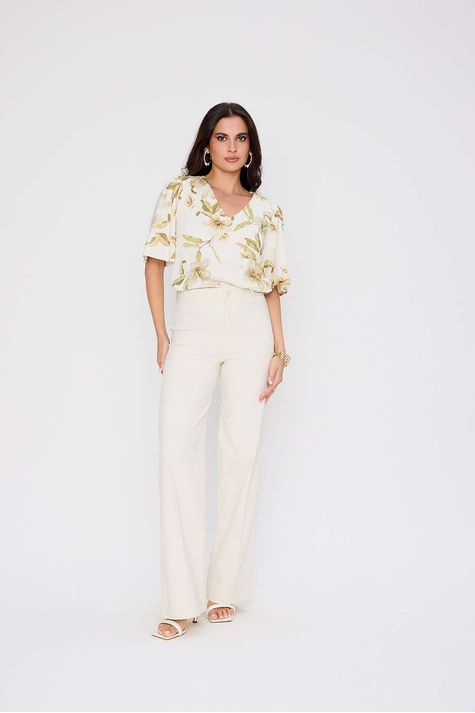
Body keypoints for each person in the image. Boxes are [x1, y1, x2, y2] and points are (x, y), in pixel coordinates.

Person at [143, 102, 291, 640]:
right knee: (175, 452)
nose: (232, 147)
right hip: (196, 325)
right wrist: (162, 333)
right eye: (222, 137)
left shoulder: (267, 211)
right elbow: (154, 260)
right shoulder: (180, 194)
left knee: (242, 452)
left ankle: (222, 588)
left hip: (251, 330)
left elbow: (273, 283)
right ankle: (180, 601)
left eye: (241, 138)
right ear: (207, 144)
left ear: (251, 148)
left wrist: (279, 350)